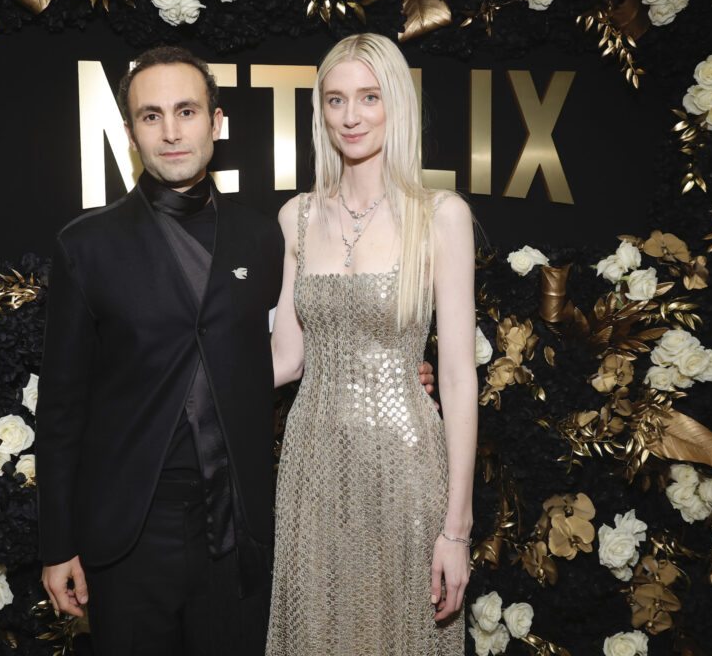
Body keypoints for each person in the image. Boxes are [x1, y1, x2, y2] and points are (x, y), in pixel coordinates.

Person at [35, 46, 283, 655]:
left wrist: (398, 372)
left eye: (186, 111)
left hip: (238, 526)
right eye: (151, 116)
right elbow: (62, 407)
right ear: (129, 133)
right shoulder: (85, 246)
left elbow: (295, 352)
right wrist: (56, 544)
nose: (171, 132)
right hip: (130, 534)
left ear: (216, 123)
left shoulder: (262, 235)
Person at [267, 33, 478, 655]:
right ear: (320, 111)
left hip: (410, 468)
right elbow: (285, 359)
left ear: (397, 106)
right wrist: (176, 363)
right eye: (335, 100)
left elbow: (460, 377)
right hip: (311, 471)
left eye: (368, 97)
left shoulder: (441, 216)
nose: (351, 116)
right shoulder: (296, 218)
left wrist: (457, 529)